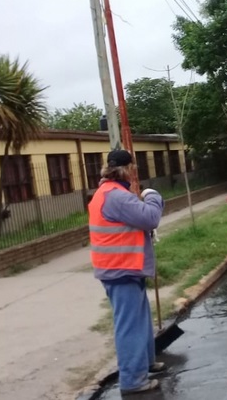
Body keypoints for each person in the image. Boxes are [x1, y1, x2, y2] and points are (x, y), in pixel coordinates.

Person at [88, 149, 165, 395]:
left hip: (122, 269)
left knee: (140, 320)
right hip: (121, 270)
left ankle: (145, 363)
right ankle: (133, 380)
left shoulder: (106, 193)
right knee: (130, 326)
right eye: (134, 168)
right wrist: (152, 195)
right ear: (128, 169)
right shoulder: (117, 197)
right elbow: (150, 218)